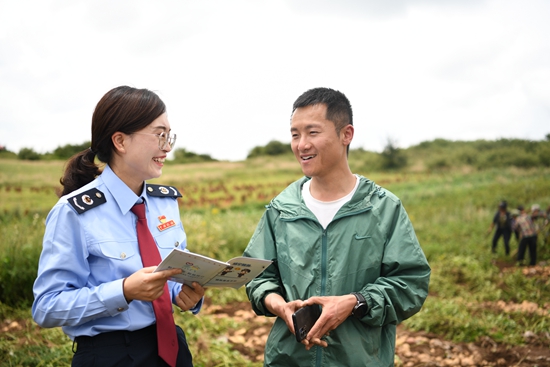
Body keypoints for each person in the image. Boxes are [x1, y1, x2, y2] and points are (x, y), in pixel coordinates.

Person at [243, 87, 431, 366]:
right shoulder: (281, 210)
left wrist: (355, 302)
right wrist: (279, 306)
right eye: (295, 134)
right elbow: (258, 276)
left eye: (313, 132)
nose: (302, 144)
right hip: (290, 359)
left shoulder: (382, 208)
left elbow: (410, 283)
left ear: (346, 134)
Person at [32, 86, 205, 367]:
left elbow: (165, 277)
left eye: (169, 135)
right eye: (159, 135)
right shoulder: (74, 212)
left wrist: (183, 293)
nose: (168, 146)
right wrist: (123, 291)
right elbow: (47, 307)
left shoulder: (165, 203)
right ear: (120, 141)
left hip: (171, 348)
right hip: (111, 355)